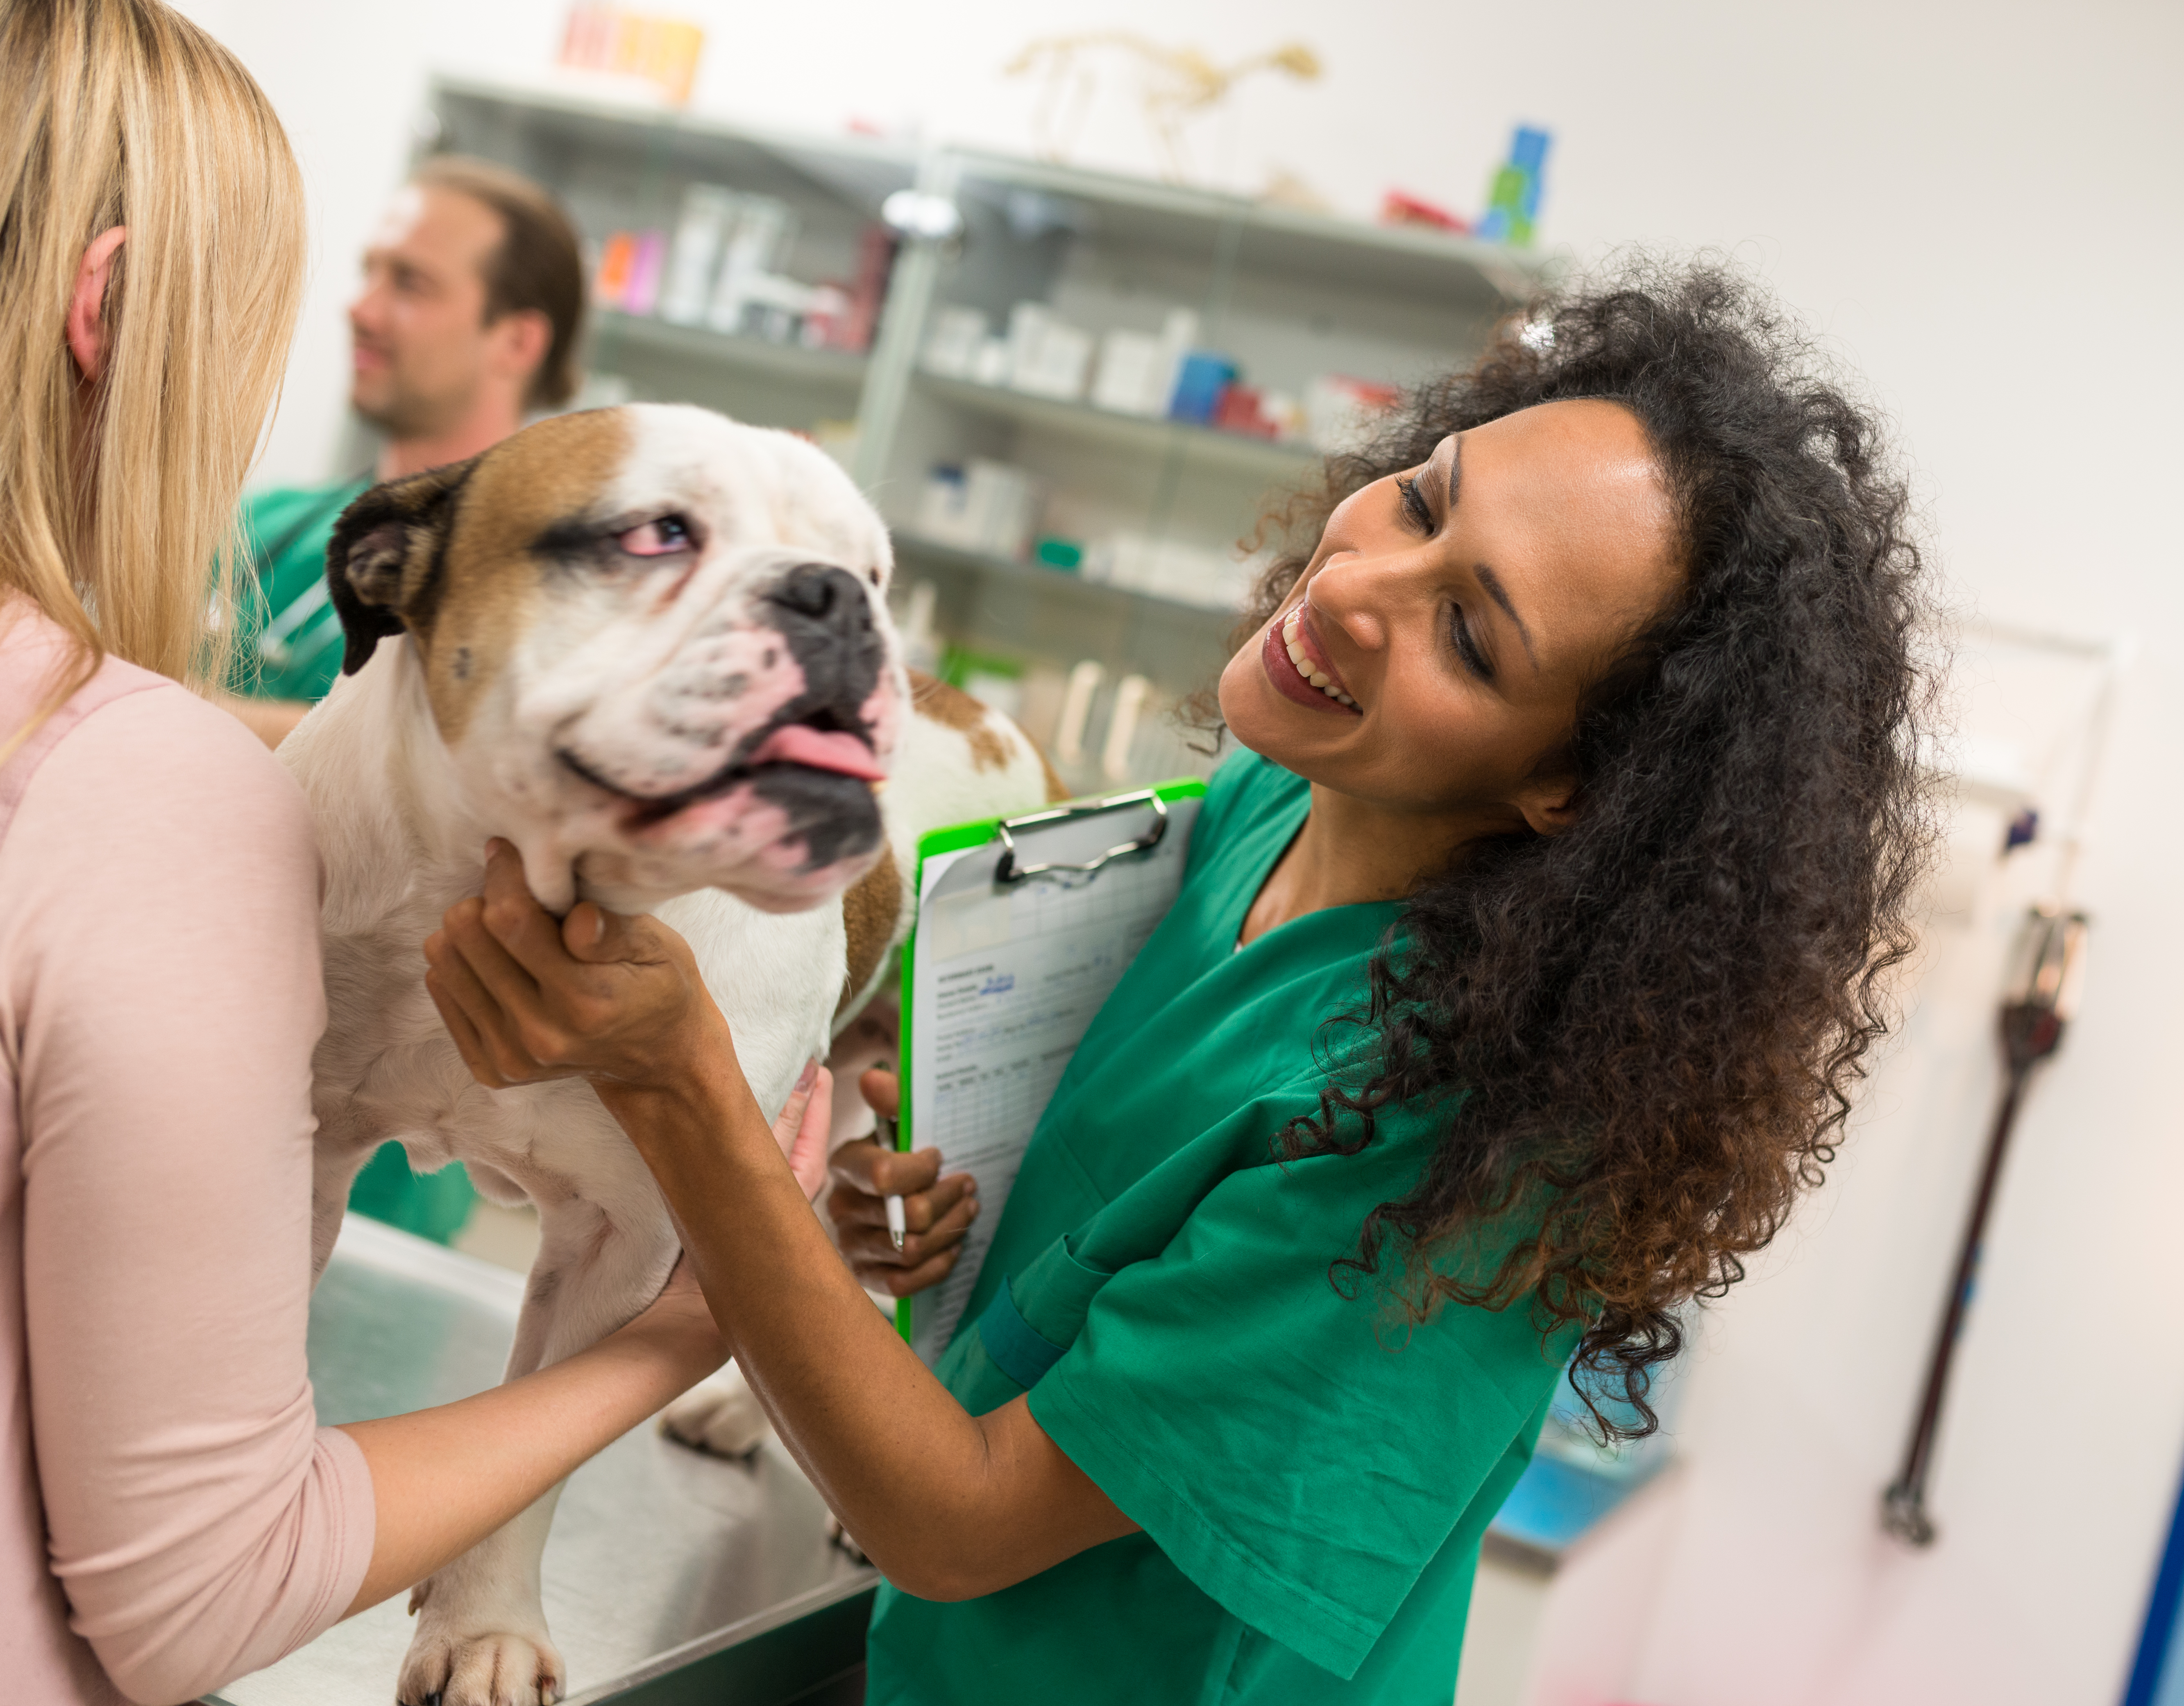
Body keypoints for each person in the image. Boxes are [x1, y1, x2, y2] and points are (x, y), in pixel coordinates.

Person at [426, 261, 1935, 1705]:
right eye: (1419, 499)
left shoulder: (1453, 1151)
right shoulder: (1268, 812)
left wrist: (683, 1081)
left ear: (1569, 785)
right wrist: (913, 1210)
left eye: (1468, 633)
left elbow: (957, 1522)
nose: (1359, 586)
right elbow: (1079, 1223)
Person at [0, 6, 818, 1702]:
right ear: (109, 311)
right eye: (269, 315)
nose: (311, 350)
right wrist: (681, 1332)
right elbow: (194, 1599)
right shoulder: (158, 781)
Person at [222, 154, 587, 1246]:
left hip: (364, 1153)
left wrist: (163, 720)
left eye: (412, 282)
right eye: (371, 270)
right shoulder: (277, 526)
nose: (363, 305)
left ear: (516, 338)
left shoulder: (545, 594)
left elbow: (465, 793)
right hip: (171, 1059)